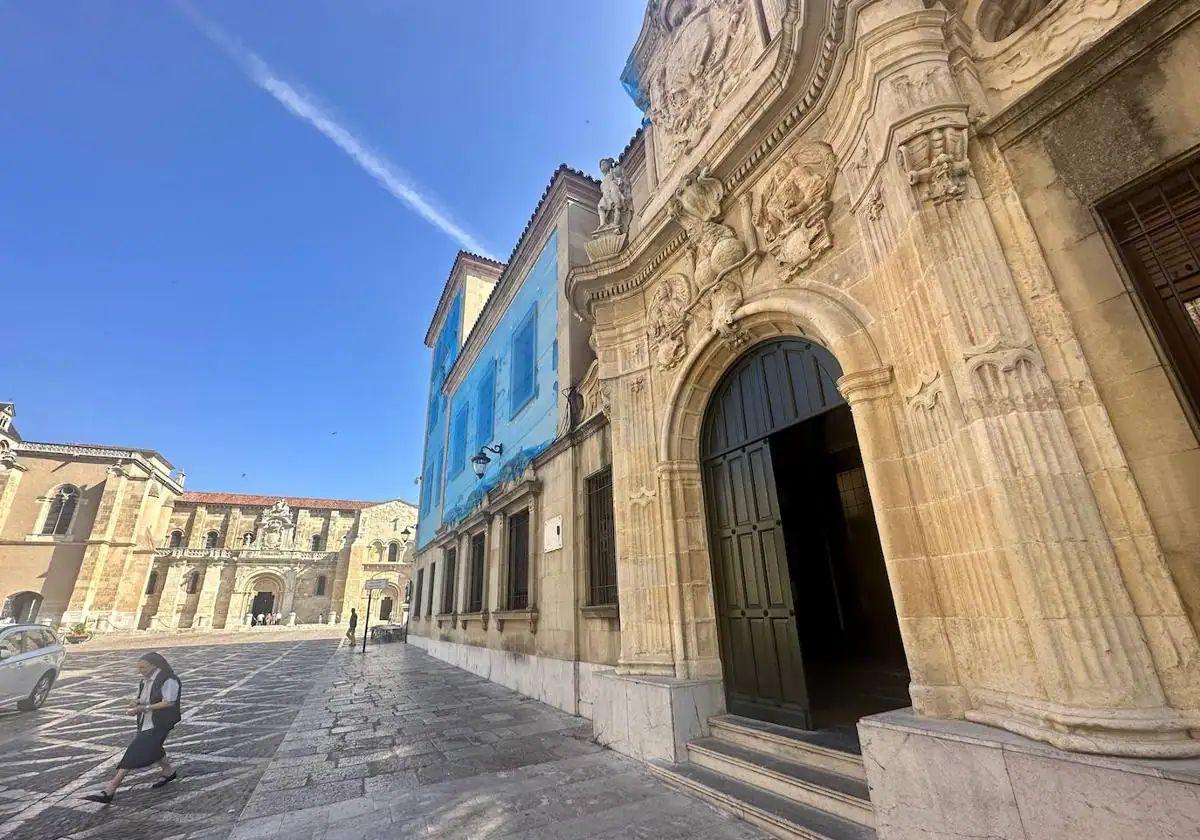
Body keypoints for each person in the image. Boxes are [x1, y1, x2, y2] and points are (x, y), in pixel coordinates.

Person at [83, 652, 181, 804]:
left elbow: (169, 702)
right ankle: (169, 772)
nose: (140, 670)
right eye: (139, 667)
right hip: (145, 721)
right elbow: (143, 698)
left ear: (154, 665)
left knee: (134, 750)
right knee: (154, 747)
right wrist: (135, 702)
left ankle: (110, 789)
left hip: (160, 722)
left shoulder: (168, 679)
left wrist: (144, 707)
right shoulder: (145, 680)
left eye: (143, 667)